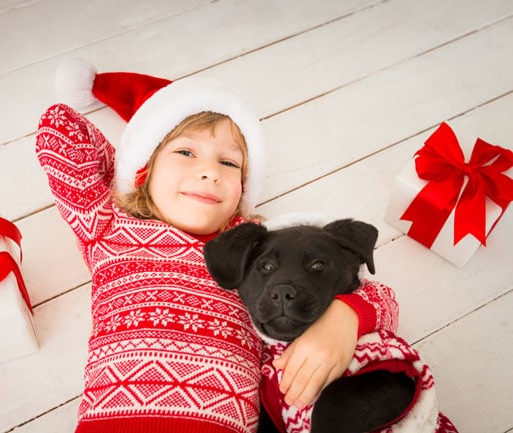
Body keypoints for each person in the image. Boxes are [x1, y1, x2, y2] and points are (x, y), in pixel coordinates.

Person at [35, 59, 397, 433]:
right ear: (145, 169)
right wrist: (128, 167)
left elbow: (378, 295)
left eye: (228, 162)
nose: (210, 171)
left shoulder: (256, 246)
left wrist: (345, 318)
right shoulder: (111, 228)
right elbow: (58, 129)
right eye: (185, 153)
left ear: (242, 189)